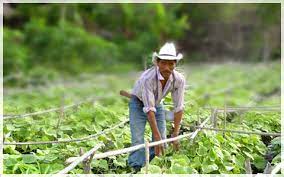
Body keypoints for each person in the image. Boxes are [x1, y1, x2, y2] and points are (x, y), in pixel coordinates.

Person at [127, 42, 186, 171]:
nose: (167, 67)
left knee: (161, 139)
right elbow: (149, 109)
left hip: (157, 103)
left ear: (175, 64)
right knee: (138, 138)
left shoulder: (179, 79)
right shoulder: (148, 78)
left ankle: (154, 165)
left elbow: (179, 107)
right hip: (137, 103)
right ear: (157, 63)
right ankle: (136, 167)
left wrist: (175, 133)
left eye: (171, 64)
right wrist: (156, 134)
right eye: (164, 63)